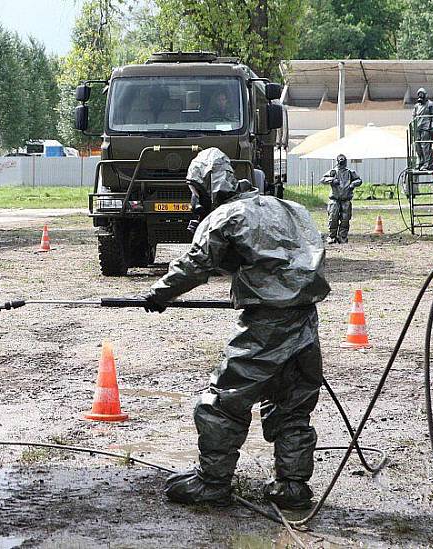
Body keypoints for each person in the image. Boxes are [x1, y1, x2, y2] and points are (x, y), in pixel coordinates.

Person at [142, 147, 330, 510]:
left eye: (195, 192)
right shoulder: (290, 209)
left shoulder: (227, 216)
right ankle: (292, 487)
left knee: (222, 402)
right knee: (292, 405)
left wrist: (158, 294)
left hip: (266, 326)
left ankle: (212, 483)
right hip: (305, 320)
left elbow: (195, 265)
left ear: (206, 187)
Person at [321, 154, 362, 244]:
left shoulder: (350, 172)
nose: (341, 161)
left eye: (343, 160)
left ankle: (342, 237)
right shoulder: (333, 172)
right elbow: (323, 179)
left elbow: (359, 180)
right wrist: (331, 180)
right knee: (333, 218)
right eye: (340, 160)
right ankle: (332, 236)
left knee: (345, 219)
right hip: (334, 199)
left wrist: (353, 184)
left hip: (346, 199)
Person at [412, 87, 433, 170]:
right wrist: (413, 127)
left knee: (425, 146)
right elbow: (414, 116)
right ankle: (421, 161)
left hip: (426, 128)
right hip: (418, 128)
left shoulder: (430, 104)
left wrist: (432, 127)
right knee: (418, 146)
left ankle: (427, 164)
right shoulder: (416, 106)